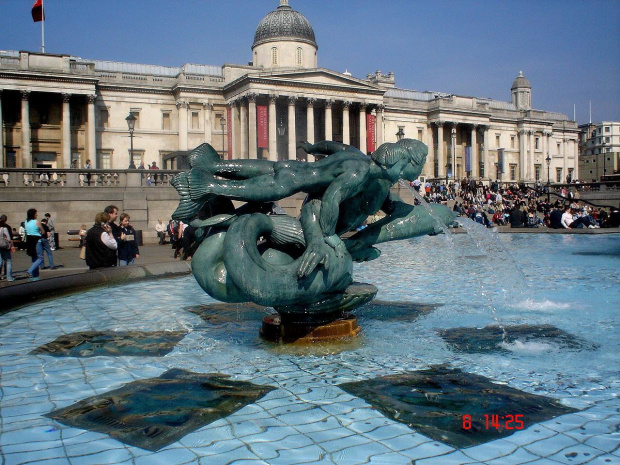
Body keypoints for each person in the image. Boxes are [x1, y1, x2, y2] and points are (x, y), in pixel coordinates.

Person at [25, 208, 45, 281]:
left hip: (30, 241)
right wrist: (40, 232)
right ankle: (30, 271)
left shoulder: (26, 222)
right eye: (36, 213)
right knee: (40, 258)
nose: (37, 215)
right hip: (37, 241)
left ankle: (35, 277)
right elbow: (43, 231)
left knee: (34, 258)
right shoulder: (37, 222)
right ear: (33, 214)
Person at [0, 214, 15, 282]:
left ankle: (1, 275)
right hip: (5, 246)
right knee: (8, 261)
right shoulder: (7, 227)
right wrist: (12, 246)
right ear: (6, 220)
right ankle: (9, 277)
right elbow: (10, 238)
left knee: (0, 261)